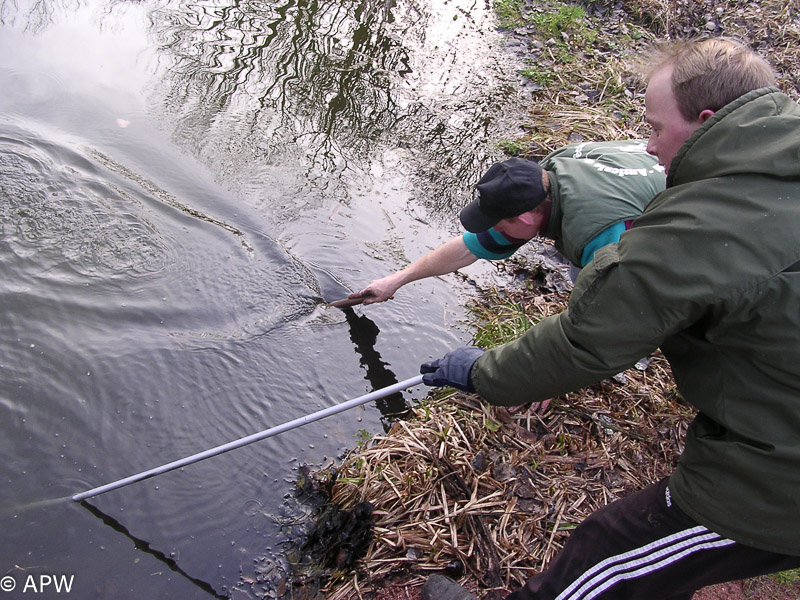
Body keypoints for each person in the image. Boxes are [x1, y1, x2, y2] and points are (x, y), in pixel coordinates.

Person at [419, 37, 800, 600]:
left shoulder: (688, 228)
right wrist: (397, 281)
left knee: (609, 555)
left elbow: (587, 341)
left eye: (653, 127)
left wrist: (482, 372)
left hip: (779, 473)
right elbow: (476, 244)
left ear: (707, 121)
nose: (646, 148)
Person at [349, 140, 665, 304]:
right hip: (643, 166)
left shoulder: (599, 234)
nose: (495, 231)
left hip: (690, 206)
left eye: (500, 225)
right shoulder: (546, 177)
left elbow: (609, 324)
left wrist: (548, 376)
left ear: (526, 217)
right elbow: (467, 250)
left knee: (589, 273)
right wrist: (396, 280)